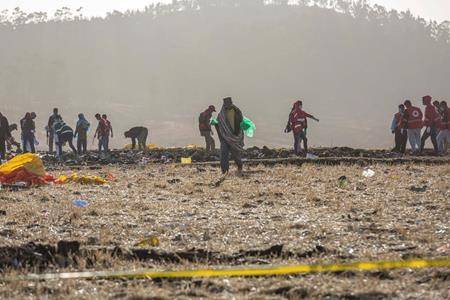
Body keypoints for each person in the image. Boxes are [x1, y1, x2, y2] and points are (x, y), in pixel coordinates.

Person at [214, 97, 244, 175]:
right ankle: (224, 171)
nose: (227, 105)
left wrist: (237, 134)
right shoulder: (222, 114)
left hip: (234, 137)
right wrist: (221, 136)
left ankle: (239, 166)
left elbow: (241, 122)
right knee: (224, 153)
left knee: (235, 154)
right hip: (225, 137)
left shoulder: (237, 111)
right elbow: (218, 124)